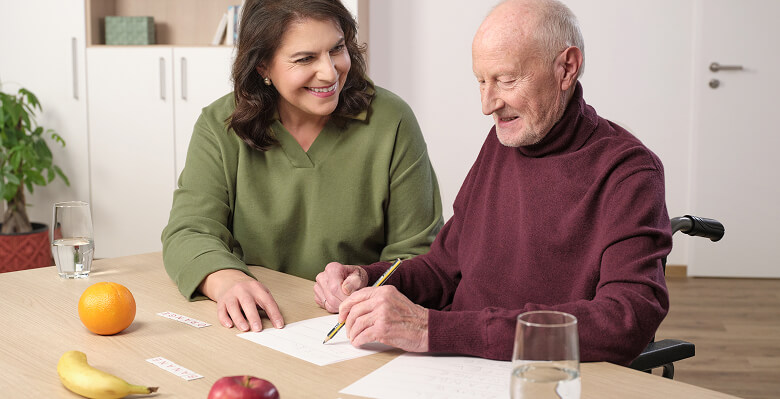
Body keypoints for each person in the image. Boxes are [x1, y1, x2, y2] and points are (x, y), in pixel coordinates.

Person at [313, 0, 672, 366]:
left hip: (542, 378)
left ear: (566, 68)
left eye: (506, 79)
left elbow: (625, 319)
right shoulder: (505, 139)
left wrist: (432, 330)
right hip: (453, 366)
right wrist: (366, 278)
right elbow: (443, 268)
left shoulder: (629, 171)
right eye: (481, 81)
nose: (487, 104)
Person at [162, 0, 443, 334]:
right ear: (263, 66)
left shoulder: (391, 120)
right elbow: (189, 231)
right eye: (305, 58)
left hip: (354, 330)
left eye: (337, 48)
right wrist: (225, 280)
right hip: (257, 327)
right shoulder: (219, 125)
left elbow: (419, 252)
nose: (330, 71)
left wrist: (365, 282)